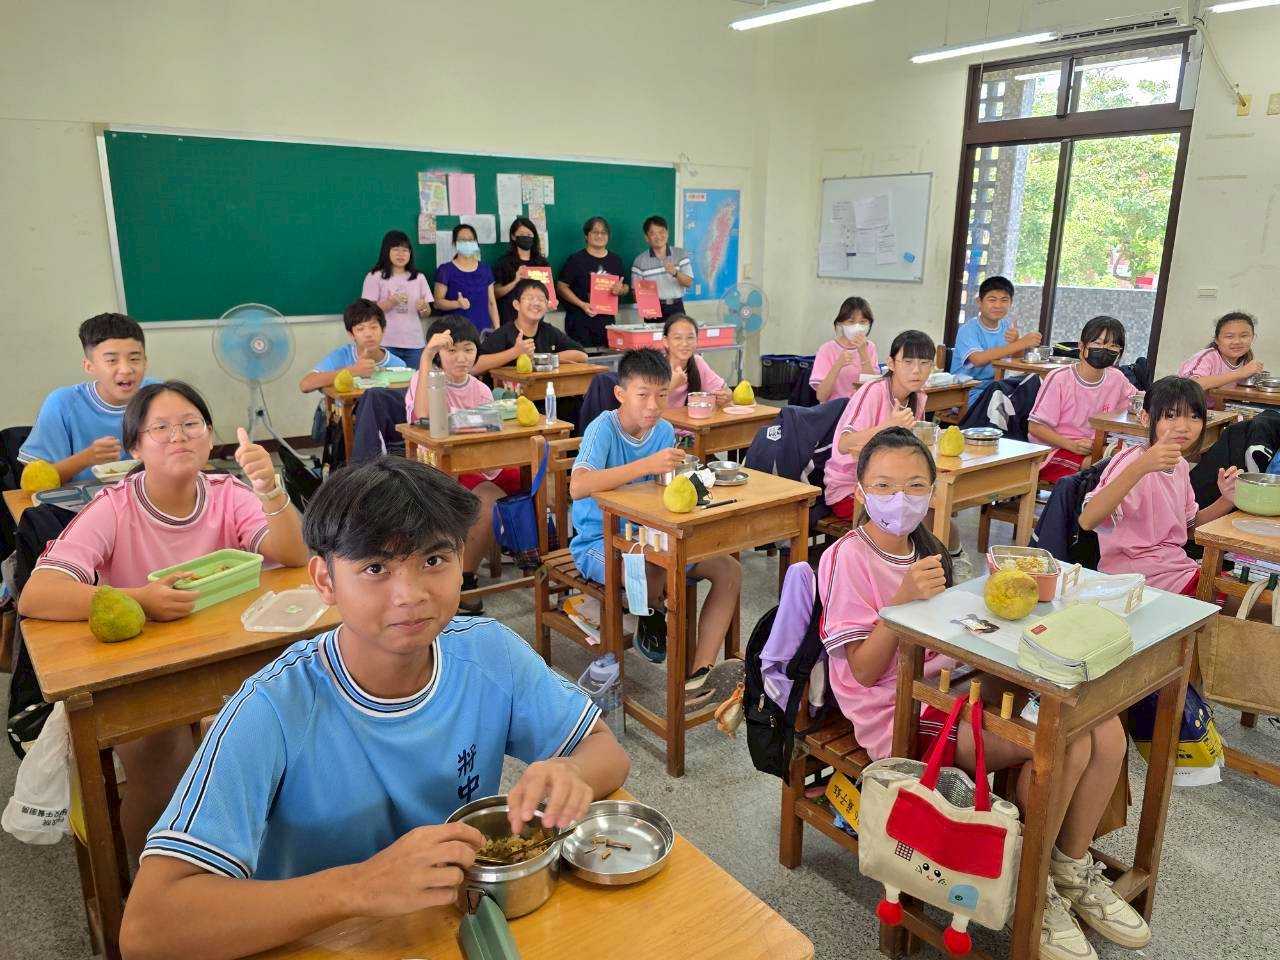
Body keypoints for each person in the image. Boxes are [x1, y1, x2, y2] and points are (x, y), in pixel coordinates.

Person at [118, 457, 629, 960]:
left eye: (434, 560)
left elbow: (606, 751)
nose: (410, 595)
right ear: (325, 581)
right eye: (375, 568)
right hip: (319, 940)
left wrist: (572, 772)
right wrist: (358, 886)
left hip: (449, 927)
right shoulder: (270, 709)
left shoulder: (489, 652)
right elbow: (148, 928)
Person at [820, 427, 1147, 960]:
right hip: (899, 713)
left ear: (932, 491)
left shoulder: (926, 549)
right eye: (883, 485)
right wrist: (899, 603)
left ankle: (1068, 869)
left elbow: (949, 632)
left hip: (950, 685)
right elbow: (862, 670)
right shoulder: (846, 558)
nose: (900, 499)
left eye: (914, 486)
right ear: (860, 490)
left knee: (1105, 729)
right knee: (1065, 741)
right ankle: (1032, 891)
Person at [18, 381, 308, 865]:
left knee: (269, 738)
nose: (179, 436)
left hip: (224, 657)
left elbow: (295, 555)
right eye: (162, 428)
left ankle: (258, 865)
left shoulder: (227, 492)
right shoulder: (113, 507)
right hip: (142, 670)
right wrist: (141, 600)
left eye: (191, 424)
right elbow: (37, 593)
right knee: (163, 758)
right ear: (135, 446)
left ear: (209, 435)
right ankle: (150, 881)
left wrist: (271, 491)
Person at [568, 348, 741, 692]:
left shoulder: (662, 430)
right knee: (650, 567)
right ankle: (646, 610)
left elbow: (663, 490)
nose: (653, 405)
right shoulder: (603, 429)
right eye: (643, 395)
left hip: (652, 539)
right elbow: (578, 486)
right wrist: (646, 466)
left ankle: (700, 674)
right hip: (599, 542)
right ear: (620, 394)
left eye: (662, 395)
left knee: (729, 570)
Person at [1080, 376, 1238, 596]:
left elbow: (1188, 529)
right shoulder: (1130, 461)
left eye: (1194, 416)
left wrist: (1227, 500)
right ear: (1146, 418)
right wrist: (1140, 467)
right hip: (1135, 576)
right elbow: (1087, 520)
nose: (1184, 427)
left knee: (1245, 598)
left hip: (1173, 568)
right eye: (1171, 416)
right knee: (1241, 604)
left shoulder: (1180, 464)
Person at [406, 317, 523, 614]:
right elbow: (423, 419)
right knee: (489, 501)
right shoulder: (427, 379)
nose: (461, 358)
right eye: (451, 350)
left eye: (468, 349)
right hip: (440, 468)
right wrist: (425, 358)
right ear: (438, 353)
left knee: (533, 479)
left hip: (480, 463)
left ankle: (528, 556)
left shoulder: (481, 389)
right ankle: (465, 579)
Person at [19, 312, 153, 484]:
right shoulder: (62, 404)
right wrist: (86, 458)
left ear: (145, 362)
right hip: (83, 500)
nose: (126, 369)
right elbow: (34, 482)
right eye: (112, 360)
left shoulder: (158, 396)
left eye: (134, 359)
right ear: (89, 366)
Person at [823, 330, 935, 520]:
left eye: (924, 363)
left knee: (935, 512)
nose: (916, 370)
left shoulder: (919, 397)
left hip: (894, 485)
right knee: (922, 518)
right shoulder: (873, 391)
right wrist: (888, 425)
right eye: (908, 362)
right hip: (852, 488)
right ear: (891, 363)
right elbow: (844, 444)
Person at [1028, 316, 1136, 484]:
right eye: (1098, 343)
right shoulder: (1059, 378)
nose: (1105, 349)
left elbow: (1136, 404)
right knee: (1102, 468)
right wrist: (1072, 445)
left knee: (1127, 460)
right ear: (1081, 346)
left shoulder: (1117, 378)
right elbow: (1035, 427)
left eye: (1113, 346)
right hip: (1055, 450)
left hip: (1095, 448)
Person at [950, 275, 1042, 406]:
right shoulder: (968, 329)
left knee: (1034, 399)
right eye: (992, 300)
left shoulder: (1007, 326)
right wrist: (1021, 343)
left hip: (997, 388)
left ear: (1011, 303)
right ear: (979, 302)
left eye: (1004, 300)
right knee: (1007, 408)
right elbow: (978, 360)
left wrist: (1017, 342)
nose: (998, 305)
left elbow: (1016, 359)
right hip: (966, 392)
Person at [476, 278, 588, 376]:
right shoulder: (503, 334)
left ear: (546, 305)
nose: (536, 303)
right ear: (516, 305)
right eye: (529, 298)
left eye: (541, 299)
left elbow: (582, 355)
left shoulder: (549, 331)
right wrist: (515, 352)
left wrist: (543, 359)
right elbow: (474, 367)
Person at [299, 299, 406, 395]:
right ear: (351, 334)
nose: (368, 334)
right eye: (360, 329)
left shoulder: (398, 365)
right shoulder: (342, 356)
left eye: (373, 327)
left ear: (383, 330)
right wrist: (353, 371)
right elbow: (305, 385)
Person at [361, 230, 433, 369]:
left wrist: (424, 308)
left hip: (414, 344)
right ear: (386, 251)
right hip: (385, 343)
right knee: (386, 382)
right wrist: (390, 302)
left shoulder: (418, 277)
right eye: (396, 249)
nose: (401, 254)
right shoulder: (375, 276)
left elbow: (426, 313)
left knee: (414, 381)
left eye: (405, 250)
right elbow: (366, 312)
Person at [557, 216, 629, 348]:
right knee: (582, 358)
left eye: (603, 232)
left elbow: (626, 287)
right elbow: (561, 286)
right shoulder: (576, 260)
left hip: (606, 322)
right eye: (595, 232)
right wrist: (582, 304)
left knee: (606, 358)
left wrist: (621, 290)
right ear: (586, 235)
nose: (599, 236)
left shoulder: (616, 260)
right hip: (579, 322)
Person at [1178, 311, 1263, 403]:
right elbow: (1190, 386)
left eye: (1244, 336)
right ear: (1217, 340)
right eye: (1229, 336)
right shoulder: (1207, 357)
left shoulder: (1246, 359)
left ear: (1253, 337)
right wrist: (1240, 373)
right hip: (1190, 409)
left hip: (1223, 408)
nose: (1237, 341)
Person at [432, 223, 499, 335]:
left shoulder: (485, 269)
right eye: (462, 240)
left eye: (471, 240)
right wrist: (457, 304)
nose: (467, 243)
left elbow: (491, 303)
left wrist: (497, 328)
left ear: (476, 242)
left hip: (482, 330)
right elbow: (437, 302)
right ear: (455, 243)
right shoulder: (445, 270)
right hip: (455, 331)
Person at [810, 297, 880, 402]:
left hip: (861, 407)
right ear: (841, 323)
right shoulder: (826, 349)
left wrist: (864, 355)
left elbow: (872, 391)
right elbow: (821, 396)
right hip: (835, 408)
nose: (857, 326)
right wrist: (838, 364)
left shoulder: (870, 347)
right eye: (851, 321)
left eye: (863, 322)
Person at [630, 215, 692, 319]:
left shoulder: (680, 254)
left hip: (676, 307)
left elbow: (688, 282)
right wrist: (645, 308)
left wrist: (675, 273)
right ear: (646, 238)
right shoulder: (639, 261)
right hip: (652, 309)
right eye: (653, 233)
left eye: (661, 232)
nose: (658, 236)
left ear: (667, 233)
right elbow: (635, 291)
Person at [663, 314, 730, 409]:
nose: (685, 344)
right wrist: (671, 385)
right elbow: (646, 404)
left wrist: (725, 397)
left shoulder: (698, 362)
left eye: (690, 338)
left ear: (696, 340)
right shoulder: (655, 367)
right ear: (666, 341)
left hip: (689, 417)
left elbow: (727, 391)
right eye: (678, 338)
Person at [492, 217, 549, 327]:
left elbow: (548, 291)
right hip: (509, 320)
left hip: (535, 321)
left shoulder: (542, 263)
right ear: (513, 236)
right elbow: (495, 293)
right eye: (522, 234)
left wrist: (550, 301)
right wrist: (515, 281)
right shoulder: (504, 262)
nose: (526, 237)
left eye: (529, 235)